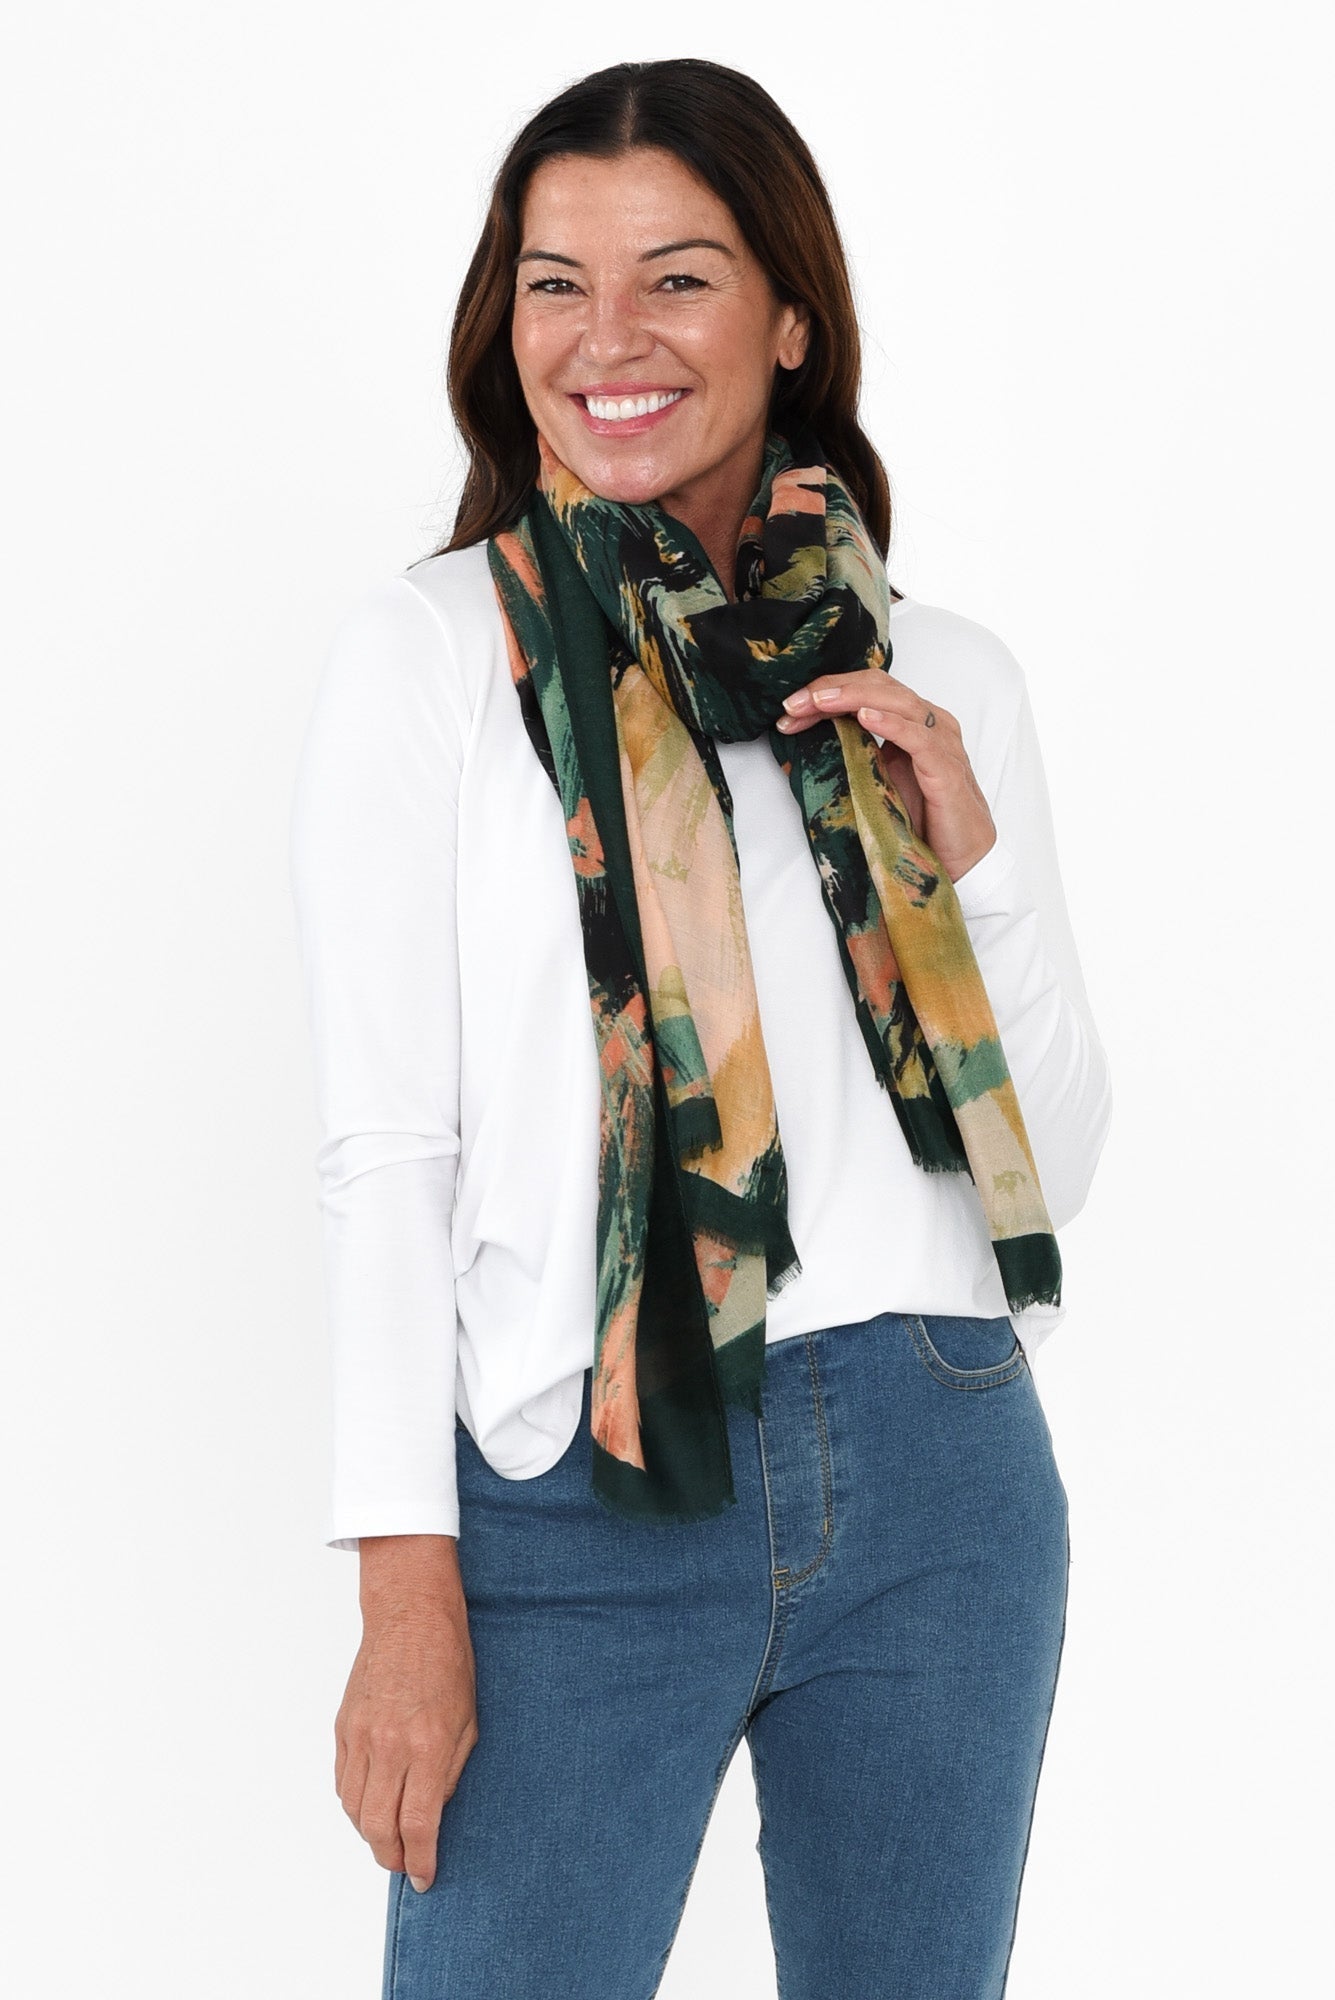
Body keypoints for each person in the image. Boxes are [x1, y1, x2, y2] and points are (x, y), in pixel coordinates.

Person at [289, 56, 1113, 2000]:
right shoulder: (433, 658)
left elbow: (1054, 1165)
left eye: (676, 277)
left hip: (937, 1458)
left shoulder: (939, 674)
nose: (608, 339)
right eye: (554, 284)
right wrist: (403, 1583)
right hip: (575, 1481)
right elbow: (388, 1149)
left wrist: (973, 873)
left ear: (788, 316)